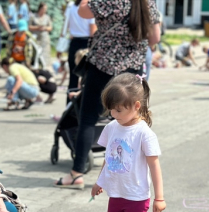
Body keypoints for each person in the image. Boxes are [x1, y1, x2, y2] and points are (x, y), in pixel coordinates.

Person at [54, 0, 161, 188]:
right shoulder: (148, 2)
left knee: (87, 119)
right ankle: (128, 173)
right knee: (132, 121)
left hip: (102, 68)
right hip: (132, 70)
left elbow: (83, 12)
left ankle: (77, 173)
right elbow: (155, 38)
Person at [85, 73, 164, 212]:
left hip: (137, 197)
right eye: (111, 109)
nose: (113, 114)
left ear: (136, 106)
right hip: (116, 194)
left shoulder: (144, 133)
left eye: (119, 109)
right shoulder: (112, 127)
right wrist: (100, 182)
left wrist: (159, 197)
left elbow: (154, 166)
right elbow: (109, 158)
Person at [63, 0, 95, 92]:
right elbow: (92, 30)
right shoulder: (89, 6)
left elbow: (67, 25)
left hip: (74, 42)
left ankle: (70, 103)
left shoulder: (71, 6)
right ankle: (81, 102)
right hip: (86, 43)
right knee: (86, 76)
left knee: (73, 76)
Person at [28, 2, 51, 69]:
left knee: (44, 53)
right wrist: (37, 27)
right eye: (43, 9)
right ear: (40, 8)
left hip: (44, 37)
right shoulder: (33, 16)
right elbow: (29, 27)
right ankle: (35, 66)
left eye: (45, 9)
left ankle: (44, 67)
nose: (45, 10)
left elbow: (50, 27)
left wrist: (45, 28)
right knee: (35, 52)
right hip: (35, 37)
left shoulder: (47, 17)